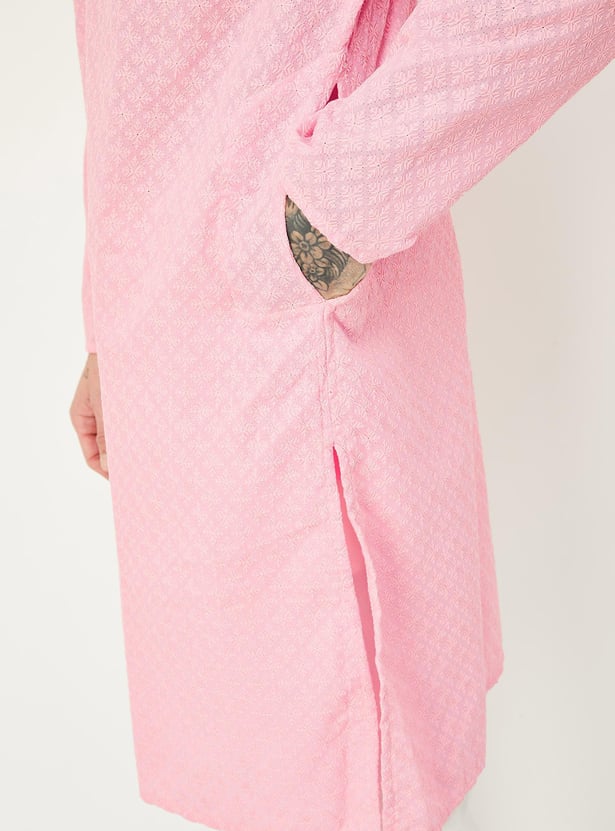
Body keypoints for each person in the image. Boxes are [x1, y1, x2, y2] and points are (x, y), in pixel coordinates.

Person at [68, 2, 614, 830]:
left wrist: (329, 215)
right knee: (245, 766)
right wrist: (105, 325)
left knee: (343, 776)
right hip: (165, 359)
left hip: (295, 359)